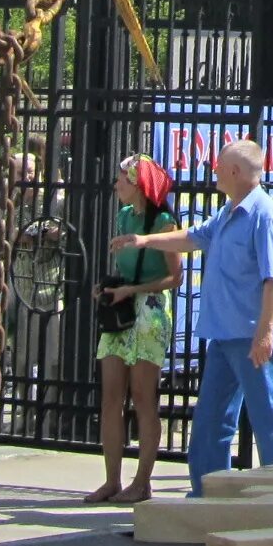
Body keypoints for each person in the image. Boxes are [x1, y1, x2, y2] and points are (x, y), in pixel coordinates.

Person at [112, 139, 273, 493]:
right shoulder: (228, 212)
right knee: (211, 422)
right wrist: (144, 240)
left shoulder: (266, 215)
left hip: (251, 336)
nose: (213, 169)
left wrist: (265, 332)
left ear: (236, 172)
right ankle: (207, 493)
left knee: (268, 419)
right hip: (223, 335)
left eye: (219, 165)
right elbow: (193, 237)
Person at [86, 155, 178, 505]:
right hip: (120, 313)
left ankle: (142, 482)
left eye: (121, 180)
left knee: (142, 398)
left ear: (138, 183)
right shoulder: (124, 216)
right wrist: (110, 288)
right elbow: (123, 266)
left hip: (149, 313)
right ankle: (112, 480)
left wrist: (133, 291)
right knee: (111, 397)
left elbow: (175, 277)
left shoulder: (164, 222)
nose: (116, 186)